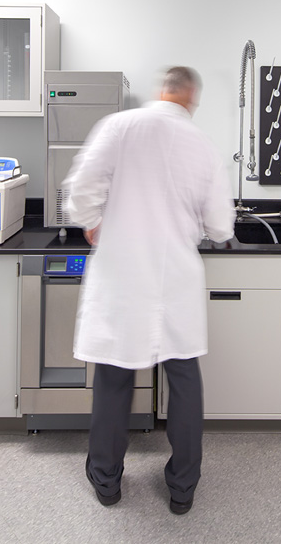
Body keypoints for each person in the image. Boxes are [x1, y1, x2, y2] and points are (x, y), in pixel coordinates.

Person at [63, 66, 235, 515]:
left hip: (123, 275)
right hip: (174, 277)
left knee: (115, 378)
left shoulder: (120, 126)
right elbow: (220, 224)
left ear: (163, 90)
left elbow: (80, 187)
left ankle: (106, 481)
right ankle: (182, 489)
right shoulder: (202, 145)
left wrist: (93, 222)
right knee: (183, 380)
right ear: (190, 97)